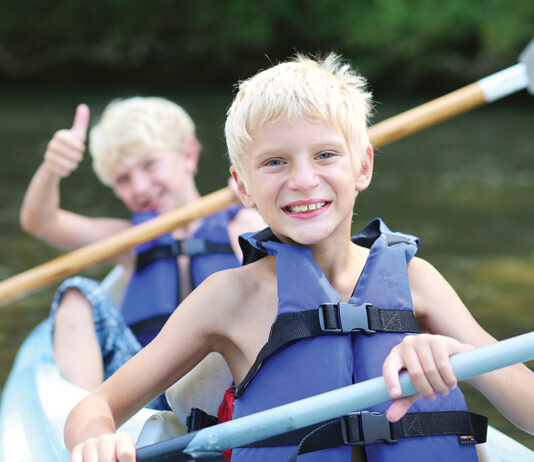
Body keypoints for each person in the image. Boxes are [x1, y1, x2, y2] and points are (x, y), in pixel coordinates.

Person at [64, 55, 534, 462]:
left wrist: (463, 357)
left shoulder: (418, 281)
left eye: (326, 154)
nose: (304, 179)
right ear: (243, 185)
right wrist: (96, 439)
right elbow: (95, 407)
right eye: (275, 162)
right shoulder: (228, 298)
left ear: (363, 166)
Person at [19, 97, 264, 406]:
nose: (139, 187)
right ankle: (88, 426)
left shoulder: (243, 221)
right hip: (144, 388)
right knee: (76, 294)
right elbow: (41, 222)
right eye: (123, 179)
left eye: (150, 164)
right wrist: (51, 170)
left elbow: (289, 266)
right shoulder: (128, 241)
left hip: (225, 379)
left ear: (188, 154)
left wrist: (255, 195)